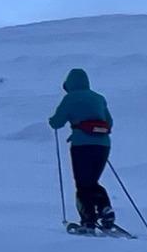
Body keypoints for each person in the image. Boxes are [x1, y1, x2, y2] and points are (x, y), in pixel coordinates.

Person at [47, 68, 114, 232]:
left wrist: (53, 121)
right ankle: (105, 208)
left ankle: (88, 221)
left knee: (83, 184)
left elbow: (57, 122)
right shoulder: (99, 98)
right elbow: (109, 122)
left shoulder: (70, 98)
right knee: (91, 181)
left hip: (81, 145)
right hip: (103, 145)